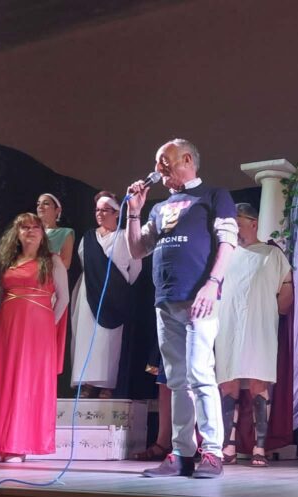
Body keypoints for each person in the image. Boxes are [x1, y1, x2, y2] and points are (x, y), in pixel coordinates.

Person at [126, 138, 237, 478]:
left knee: (200, 373)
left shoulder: (214, 196)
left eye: (164, 160)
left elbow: (228, 242)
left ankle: (212, 452)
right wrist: (134, 212)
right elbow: (136, 250)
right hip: (166, 300)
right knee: (175, 379)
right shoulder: (160, 207)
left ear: (186, 159)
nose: (157, 168)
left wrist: (212, 283)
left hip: (199, 297)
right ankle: (181, 453)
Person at [0, 213, 69, 462]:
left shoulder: (52, 260)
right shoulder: (8, 261)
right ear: (17, 233)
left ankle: (19, 445)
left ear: (42, 233)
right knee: (2, 379)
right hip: (7, 325)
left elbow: (64, 298)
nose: (30, 231)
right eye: (25, 227)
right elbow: (2, 296)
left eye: (35, 227)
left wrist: (49, 325)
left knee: (27, 381)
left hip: (38, 328)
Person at [216, 203, 293, 467]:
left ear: (253, 224)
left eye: (238, 224)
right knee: (228, 382)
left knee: (258, 382)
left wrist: (276, 310)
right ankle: (228, 445)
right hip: (229, 324)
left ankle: (259, 446)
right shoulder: (226, 253)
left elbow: (286, 288)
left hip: (260, 324)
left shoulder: (272, 253)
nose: (235, 229)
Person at [71, 191, 142, 398]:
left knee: (110, 340)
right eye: (97, 210)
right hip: (89, 291)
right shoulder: (88, 238)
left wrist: (118, 288)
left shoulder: (125, 236)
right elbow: (84, 263)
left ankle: (107, 385)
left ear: (117, 213)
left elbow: (135, 268)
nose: (100, 214)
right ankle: (86, 383)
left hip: (115, 294)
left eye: (105, 210)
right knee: (86, 335)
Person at [37, 193, 74, 376]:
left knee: (45, 336)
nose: (40, 207)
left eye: (46, 204)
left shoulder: (65, 233)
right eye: (38, 204)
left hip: (51, 289)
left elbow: (66, 263)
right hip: (31, 289)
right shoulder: (33, 232)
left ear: (57, 210)